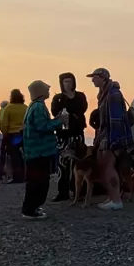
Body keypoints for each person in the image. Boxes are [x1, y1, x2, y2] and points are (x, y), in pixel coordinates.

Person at [88, 68, 133, 210]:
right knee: (104, 166)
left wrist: (113, 141)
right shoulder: (104, 94)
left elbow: (115, 120)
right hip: (106, 135)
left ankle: (116, 200)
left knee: (108, 167)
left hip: (112, 136)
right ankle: (113, 196)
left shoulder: (112, 94)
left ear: (103, 78)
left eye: (95, 77)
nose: (92, 80)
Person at [20, 80, 64, 219]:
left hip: (34, 151)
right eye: (46, 88)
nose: (49, 90)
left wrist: (55, 119)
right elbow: (42, 127)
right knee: (39, 181)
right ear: (39, 92)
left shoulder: (33, 106)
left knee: (36, 181)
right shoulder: (38, 107)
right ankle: (30, 211)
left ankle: (32, 208)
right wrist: (60, 121)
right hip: (39, 151)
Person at [51, 73, 89, 201]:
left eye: (70, 81)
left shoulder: (80, 96)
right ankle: (63, 192)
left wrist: (71, 112)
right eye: (65, 82)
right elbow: (55, 112)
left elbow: (82, 109)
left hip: (77, 133)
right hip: (63, 135)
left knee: (79, 162)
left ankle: (79, 190)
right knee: (63, 164)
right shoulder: (58, 98)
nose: (68, 84)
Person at [0, 90, 28, 183]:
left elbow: (4, 124)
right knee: (25, 156)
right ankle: (26, 175)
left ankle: (17, 177)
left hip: (12, 135)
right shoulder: (25, 108)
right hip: (24, 134)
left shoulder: (8, 108)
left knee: (15, 157)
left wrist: (5, 135)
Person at [0, 100, 10, 180]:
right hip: (11, 133)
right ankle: (10, 173)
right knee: (12, 154)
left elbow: (0, 124)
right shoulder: (9, 110)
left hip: (3, 134)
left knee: (2, 155)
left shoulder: (1, 111)